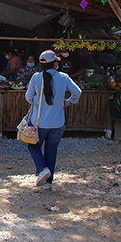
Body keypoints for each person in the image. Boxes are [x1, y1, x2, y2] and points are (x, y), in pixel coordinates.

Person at [24, 50, 82, 191]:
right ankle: (48, 183)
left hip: (39, 123)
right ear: (55, 64)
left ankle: (42, 169)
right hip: (58, 123)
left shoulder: (36, 77)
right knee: (51, 151)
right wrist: (68, 102)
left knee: (33, 146)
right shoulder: (64, 77)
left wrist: (37, 102)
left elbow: (28, 97)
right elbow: (78, 92)